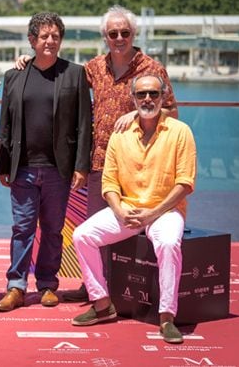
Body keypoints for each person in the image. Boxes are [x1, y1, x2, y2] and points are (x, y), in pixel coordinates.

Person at [12, 5, 178, 302]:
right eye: (112, 33)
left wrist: (138, 116)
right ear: (105, 36)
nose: (119, 38)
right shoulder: (94, 68)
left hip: (140, 164)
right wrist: (29, 61)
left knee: (136, 224)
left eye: (124, 33)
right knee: (94, 229)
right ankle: (94, 286)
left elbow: (172, 111)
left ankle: (132, 288)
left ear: (133, 34)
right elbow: (59, 76)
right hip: (100, 163)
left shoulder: (153, 70)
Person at [71, 74, 196, 345]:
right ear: (133, 98)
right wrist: (118, 210)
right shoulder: (121, 134)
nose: (148, 99)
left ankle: (166, 316)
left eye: (153, 94)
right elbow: (109, 182)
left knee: (168, 243)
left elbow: (185, 183)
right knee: (82, 235)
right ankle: (102, 303)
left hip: (165, 210)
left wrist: (153, 213)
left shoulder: (180, 131)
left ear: (163, 98)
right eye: (141, 95)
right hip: (127, 209)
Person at [0, 12, 91, 312]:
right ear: (32, 40)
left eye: (55, 36)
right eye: (44, 36)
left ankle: (48, 284)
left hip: (58, 169)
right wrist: (3, 164)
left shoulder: (74, 74)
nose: (50, 41)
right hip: (22, 167)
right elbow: (6, 124)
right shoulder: (14, 75)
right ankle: (16, 286)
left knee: (52, 229)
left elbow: (84, 123)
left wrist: (80, 165)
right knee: (22, 228)